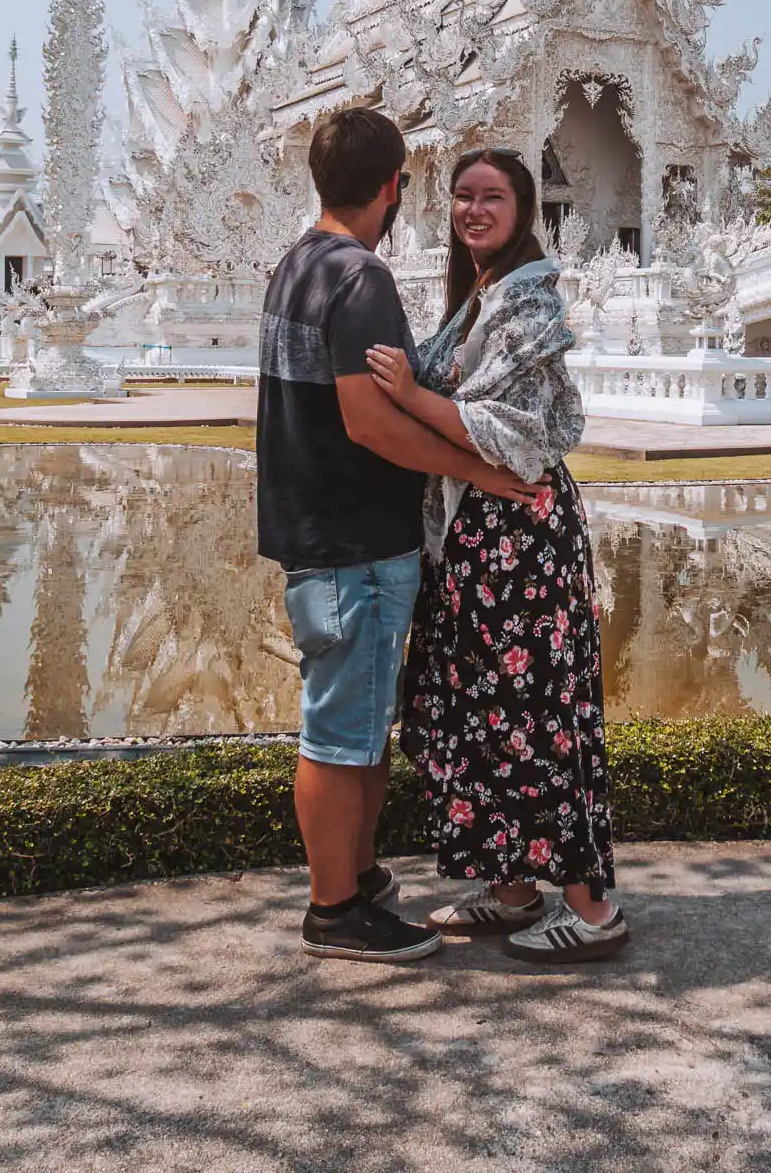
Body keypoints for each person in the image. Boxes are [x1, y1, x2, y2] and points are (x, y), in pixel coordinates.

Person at [257, 108, 540, 965]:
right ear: (394, 187)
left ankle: (358, 873)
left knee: (357, 720)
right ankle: (334, 908)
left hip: (321, 530)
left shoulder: (296, 265)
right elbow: (370, 424)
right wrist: (491, 473)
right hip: (354, 540)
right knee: (340, 732)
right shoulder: (361, 276)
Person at [366, 148, 628, 962]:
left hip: (522, 542)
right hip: (478, 537)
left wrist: (413, 397)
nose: (474, 210)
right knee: (478, 711)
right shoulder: (479, 297)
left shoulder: (526, 302)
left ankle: (591, 910)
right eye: (462, 197)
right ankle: (513, 886)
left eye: (492, 198)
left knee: (539, 715)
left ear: (522, 211)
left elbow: (521, 435)